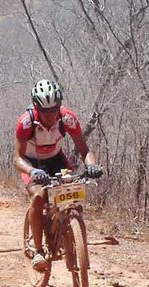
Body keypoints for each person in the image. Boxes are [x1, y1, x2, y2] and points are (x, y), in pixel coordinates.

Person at [13, 79, 102, 271]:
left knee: (74, 198)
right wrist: (32, 171)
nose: (50, 115)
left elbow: (84, 150)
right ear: (36, 107)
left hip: (55, 159)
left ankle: (75, 241)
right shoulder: (25, 122)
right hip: (32, 162)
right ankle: (38, 251)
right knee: (38, 197)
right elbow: (17, 158)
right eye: (45, 111)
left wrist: (92, 165)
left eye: (54, 110)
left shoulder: (67, 118)